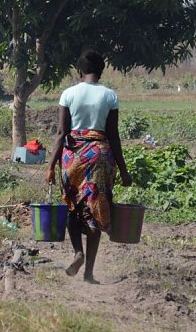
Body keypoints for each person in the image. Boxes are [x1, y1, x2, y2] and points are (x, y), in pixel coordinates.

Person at [45, 49, 132, 283]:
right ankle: (89, 273)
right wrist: (124, 170)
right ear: (101, 72)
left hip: (73, 157)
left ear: (79, 71)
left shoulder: (68, 94)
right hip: (99, 156)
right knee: (96, 208)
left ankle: (78, 252)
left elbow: (62, 133)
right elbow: (113, 136)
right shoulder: (110, 96)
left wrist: (50, 166)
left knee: (72, 205)